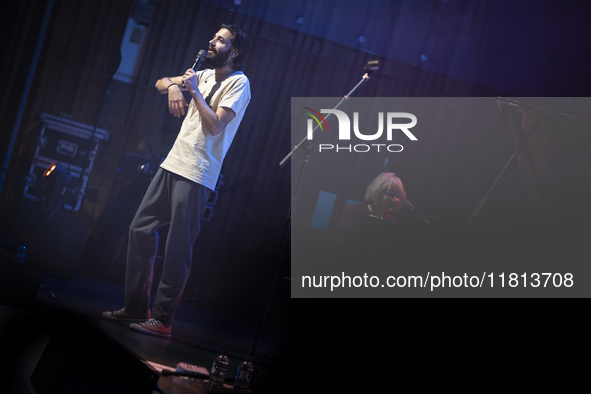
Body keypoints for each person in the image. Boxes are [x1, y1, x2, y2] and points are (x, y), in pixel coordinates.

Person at [102, 24, 251, 339]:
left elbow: (215, 127)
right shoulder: (204, 73)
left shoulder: (239, 83)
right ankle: (135, 308)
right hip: (172, 164)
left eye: (220, 40)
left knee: (177, 248)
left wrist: (194, 91)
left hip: (198, 173)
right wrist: (173, 87)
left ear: (233, 51)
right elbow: (159, 83)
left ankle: (163, 320)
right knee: (139, 229)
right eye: (213, 37)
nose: (212, 41)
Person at [336, 172, 406, 244]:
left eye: (397, 196)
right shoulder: (353, 211)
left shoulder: (392, 222)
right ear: (378, 191)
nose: (394, 200)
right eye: (391, 194)